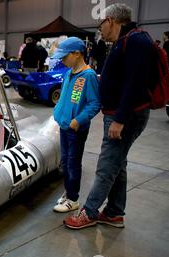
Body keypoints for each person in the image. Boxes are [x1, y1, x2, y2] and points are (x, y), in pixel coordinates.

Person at [64, 3, 155, 229]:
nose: (100, 29)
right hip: (117, 114)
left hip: (124, 117)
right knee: (117, 164)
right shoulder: (123, 42)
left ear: (111, 21)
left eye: (100, 23)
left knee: (106, 166)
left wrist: (120, 120)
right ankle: (114, 212)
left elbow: (136, 84)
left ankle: (89, 212)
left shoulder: (136, 41)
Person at [50, 37, 101, 213]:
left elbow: (94, 104)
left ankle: (73, 199)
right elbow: (65, 97)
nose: (62, 60)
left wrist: (77, 120)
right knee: (66, 162)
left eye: (65, 56)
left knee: (73, 164)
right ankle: (69, 191)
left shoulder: (88, 76)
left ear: (77, 54)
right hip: (64, 126)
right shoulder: (68, 73)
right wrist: (58, 111)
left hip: (75, 130)